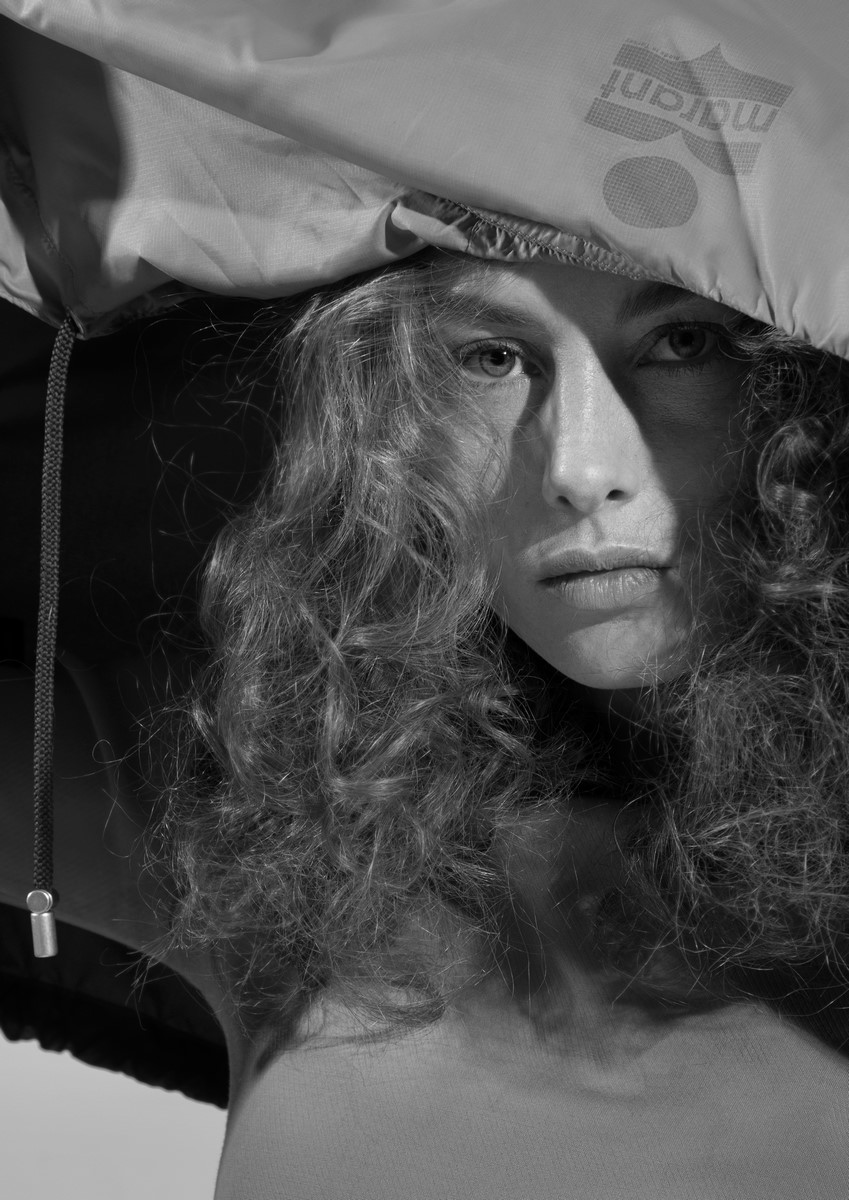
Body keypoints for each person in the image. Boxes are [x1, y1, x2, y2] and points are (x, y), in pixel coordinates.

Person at [134, 245, 847, 1196]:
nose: (581, 468)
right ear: (377, 422)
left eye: (685, 342)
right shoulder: (273, 805)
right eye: (491, 359)